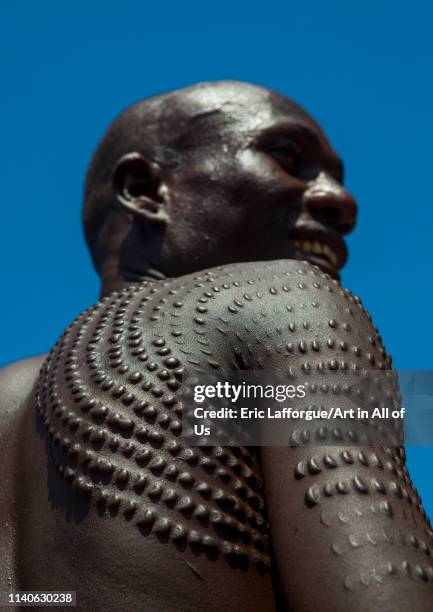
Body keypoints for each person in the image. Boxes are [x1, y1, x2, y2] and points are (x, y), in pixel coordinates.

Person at [1, 81, 431, 611]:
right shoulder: (281, 304)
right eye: (287, 156)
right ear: (145, 189)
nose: (341, 203)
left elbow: (214, 409)